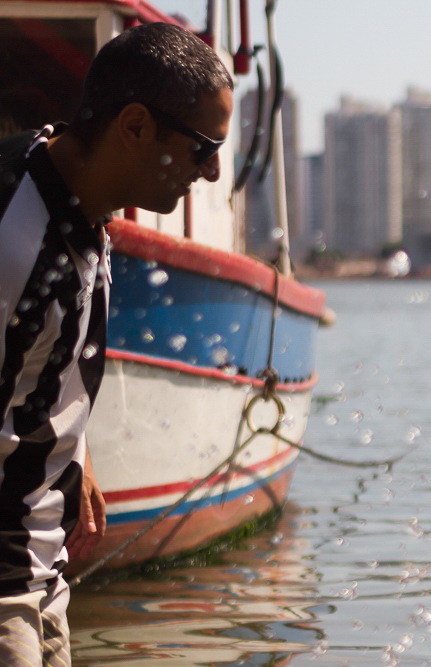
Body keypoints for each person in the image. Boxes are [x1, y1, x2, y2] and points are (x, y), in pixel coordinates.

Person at [0, 22, 232, 665]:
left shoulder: (79, 201)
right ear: (135, 127)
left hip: (43, 578)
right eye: (202, 148)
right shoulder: (11, 241)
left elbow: (36, 356)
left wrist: (78, 455)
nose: (213, 172)